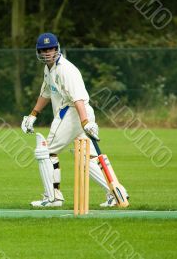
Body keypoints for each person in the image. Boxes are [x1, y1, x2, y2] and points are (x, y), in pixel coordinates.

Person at [21, 32, 127, 207]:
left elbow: (78, 98)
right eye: (43, 50)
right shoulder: (49, 69)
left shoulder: (65, 69)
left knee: (46, 152)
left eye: (50, 49)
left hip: (73, 112)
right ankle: (116, 194)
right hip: (77, 115)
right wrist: (33, 114)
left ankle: (52, 197)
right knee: (87, 157)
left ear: (57, 49)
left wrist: (85, 122)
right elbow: (46, 93)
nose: (47, 53)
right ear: (38, 52)